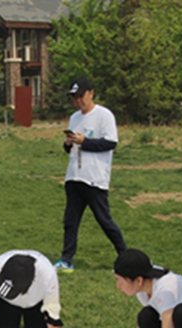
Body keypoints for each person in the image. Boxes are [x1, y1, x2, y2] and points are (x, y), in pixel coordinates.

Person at [54, 77, 127, 272]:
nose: (78, 101)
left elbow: (110, 143)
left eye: (81, 96)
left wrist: (84, 141)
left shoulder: (104, 115)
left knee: (104, 220)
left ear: (91, 93)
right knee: (70, 221)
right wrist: (69, 144)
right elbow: (69, 148)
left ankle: (125, 256)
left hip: (94, 178)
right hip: (74, 177)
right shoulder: (75, 117)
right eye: (74, 98)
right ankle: (66, 259)